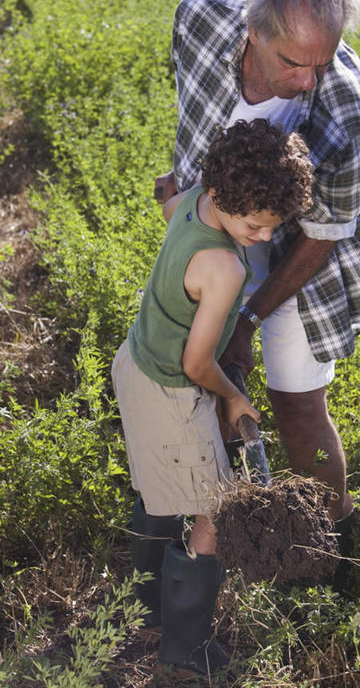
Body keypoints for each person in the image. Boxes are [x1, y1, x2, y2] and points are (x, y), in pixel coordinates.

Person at [155, 0, 360, 589]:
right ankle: (207, 532)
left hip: (302, 256)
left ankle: (333, 552)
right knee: (198, 378)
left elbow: (321, 238)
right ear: (253, 32)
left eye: (325, 60)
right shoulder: (202, 13)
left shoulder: (351, 111)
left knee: (295, 403)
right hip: (217, 224)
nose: (310, 79)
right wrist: (183, 188)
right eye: (294, 63)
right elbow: (188, 99)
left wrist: (251, 316)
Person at [112, 119, 314, 675]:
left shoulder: (197, 199)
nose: (265, 237)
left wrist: (165, 191)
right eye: (255, 225)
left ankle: (145, 604)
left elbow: (168, 203)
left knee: (162, 484)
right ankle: (183, 648)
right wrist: (233, 399)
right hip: (174, 392)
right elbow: (196, 363)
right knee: (217, 509)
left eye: (274, 227)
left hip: (136, 363)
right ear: (225, 198)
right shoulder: (224, 266)